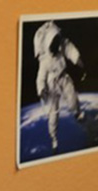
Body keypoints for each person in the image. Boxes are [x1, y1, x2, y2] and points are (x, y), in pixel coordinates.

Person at [33, 20, 86, 152]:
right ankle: (54, 137)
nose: (57, 45)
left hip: (63, 78)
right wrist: (41, 89)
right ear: (48, 44)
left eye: (57, 40)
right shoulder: (44, 60)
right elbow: (40, 77)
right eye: (54, 43)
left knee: (72, 96)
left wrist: (77, 58)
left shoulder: (61, 45)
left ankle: (77, 112)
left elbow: (69, 48)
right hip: (52, 85)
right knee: (53, 113)